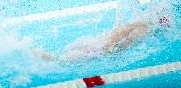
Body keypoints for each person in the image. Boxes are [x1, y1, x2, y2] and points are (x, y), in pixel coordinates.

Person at [34, 17, 170, 61]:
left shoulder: (63, 57)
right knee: (129, 35)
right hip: (100, 48)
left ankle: (157, 25)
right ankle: (157, 25)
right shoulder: (63, 59)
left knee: (130, 33)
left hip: (99, 47)